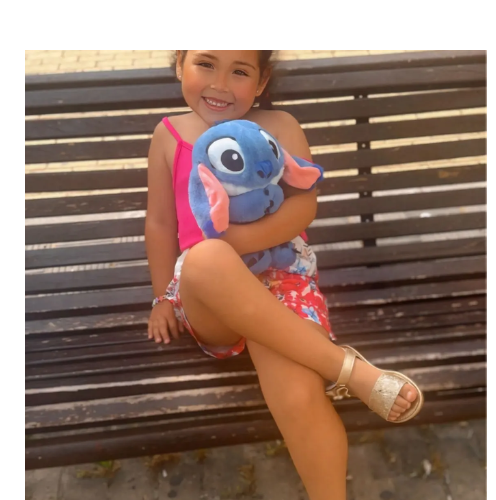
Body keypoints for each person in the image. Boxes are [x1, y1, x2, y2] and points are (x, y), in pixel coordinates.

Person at [145, 50, 422, 500]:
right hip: (209, 295)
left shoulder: (281, 126)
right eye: (206, 64)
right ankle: (348, 371)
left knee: (298, 393)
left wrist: (236, 243)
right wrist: (162, 297)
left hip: (282, 280)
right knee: (207, 258)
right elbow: (159, 223)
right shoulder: (168, 134)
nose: (220, 84)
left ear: (261, 80)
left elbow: (302, 206)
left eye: (239, 71)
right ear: (180, 64)